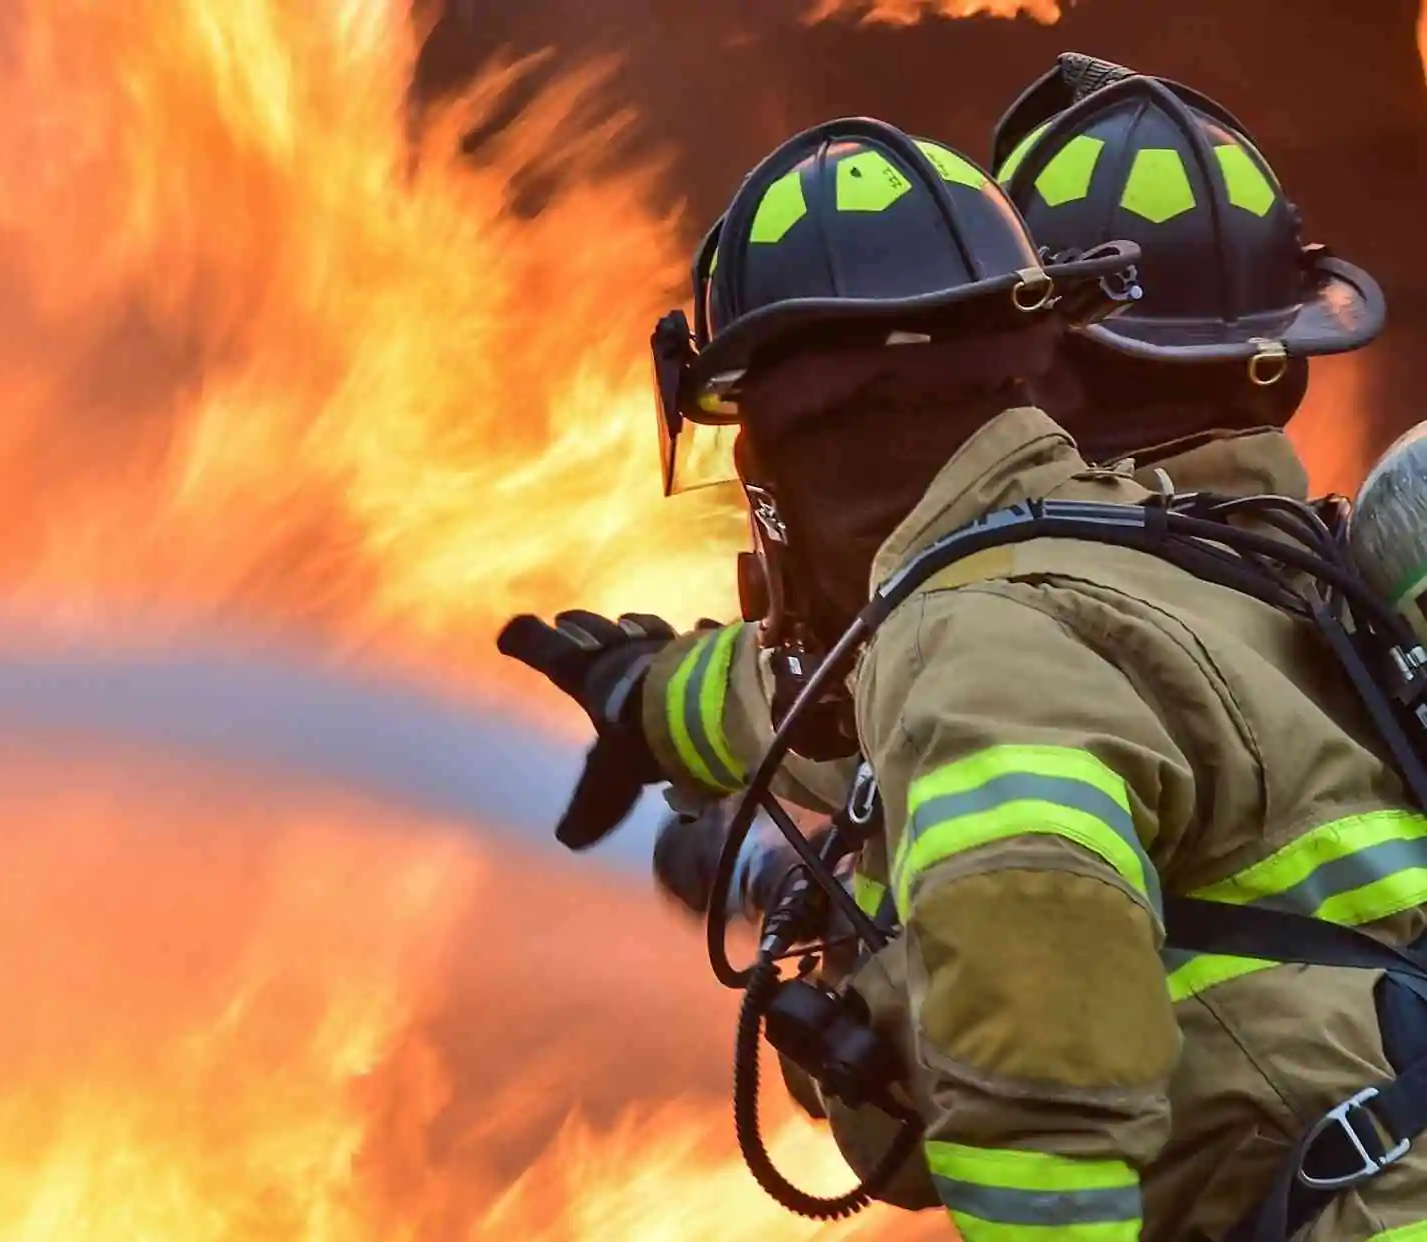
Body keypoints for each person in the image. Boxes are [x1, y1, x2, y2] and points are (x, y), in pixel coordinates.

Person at [501, 108, 1427, 1241]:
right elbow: (828, 697)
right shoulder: (1166, 554)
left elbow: (1037, 1091)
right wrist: (648, 697)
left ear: (805, 453)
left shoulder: (978, 647)